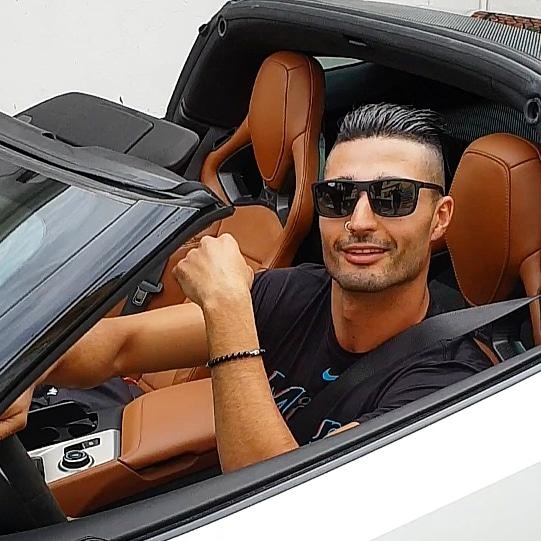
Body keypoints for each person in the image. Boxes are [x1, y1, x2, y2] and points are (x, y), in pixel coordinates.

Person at [0, 103, 491, 472]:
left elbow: (284, 505)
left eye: (393, 197)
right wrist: (27, 368)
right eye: (338, 197)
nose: (359, 221)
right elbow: (118, 346)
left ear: (440, 218)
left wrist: (227, 308)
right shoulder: (294, 293)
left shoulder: (448, 385)